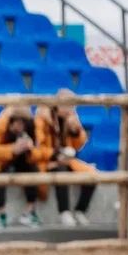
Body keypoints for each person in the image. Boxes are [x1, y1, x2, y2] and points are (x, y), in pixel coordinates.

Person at [0, 105, 48, 227]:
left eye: (23, 124)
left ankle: (29, 212)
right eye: (18, 123)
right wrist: (12, 149)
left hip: (22, 159)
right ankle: (1, 215)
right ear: (11, 121)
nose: (20, 127)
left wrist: (30, 149)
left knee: (33, 170)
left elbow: (40, 152)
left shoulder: (31, 127)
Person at [35, 91, 96, 226]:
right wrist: (55, 155)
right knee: (61, 170)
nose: (71, 109)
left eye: (72, 106)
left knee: (91, 174)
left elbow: (79, 145)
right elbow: (38, 147)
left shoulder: (71, 117)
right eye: (68, 105)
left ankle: (80, 210)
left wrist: (75, 131)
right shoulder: (42, 118)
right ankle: (64, 212)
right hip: (47, 161)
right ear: (58, 104)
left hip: (67, 159)